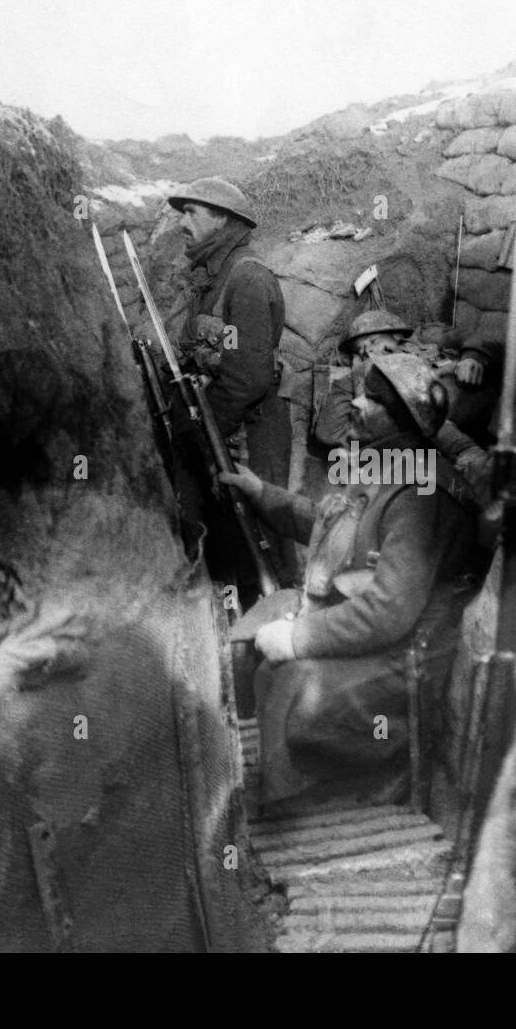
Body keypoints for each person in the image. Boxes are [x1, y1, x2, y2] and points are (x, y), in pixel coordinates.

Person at [220, 354, 482, 809]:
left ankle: (355, 779)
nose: (355, 402)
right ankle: (303, 769)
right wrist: (261, 494)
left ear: (403, 418)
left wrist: (301, 638)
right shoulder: (384, 464)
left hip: (404, 656)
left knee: (292, 688)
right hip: (362, 627)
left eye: (371, 398)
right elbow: (330, 527)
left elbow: (389, 611)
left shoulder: (421, 494)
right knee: (245, 642)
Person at [164, 177, 292, 595]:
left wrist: (205, 428)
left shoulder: (248, 278)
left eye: (191, 213)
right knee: (224, 527)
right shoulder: (212, 280)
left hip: (251, 432)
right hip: (227, 425)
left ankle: (282, 612)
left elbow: (248, 375)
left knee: (260, 529)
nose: (182, 222)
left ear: (220, 220)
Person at [312, 308, 414, 451]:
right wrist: (358, 376)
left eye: (374, 341)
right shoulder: (350, 380)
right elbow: (327, 435)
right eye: (361, 352)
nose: (369, 352)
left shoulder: (413, 369)